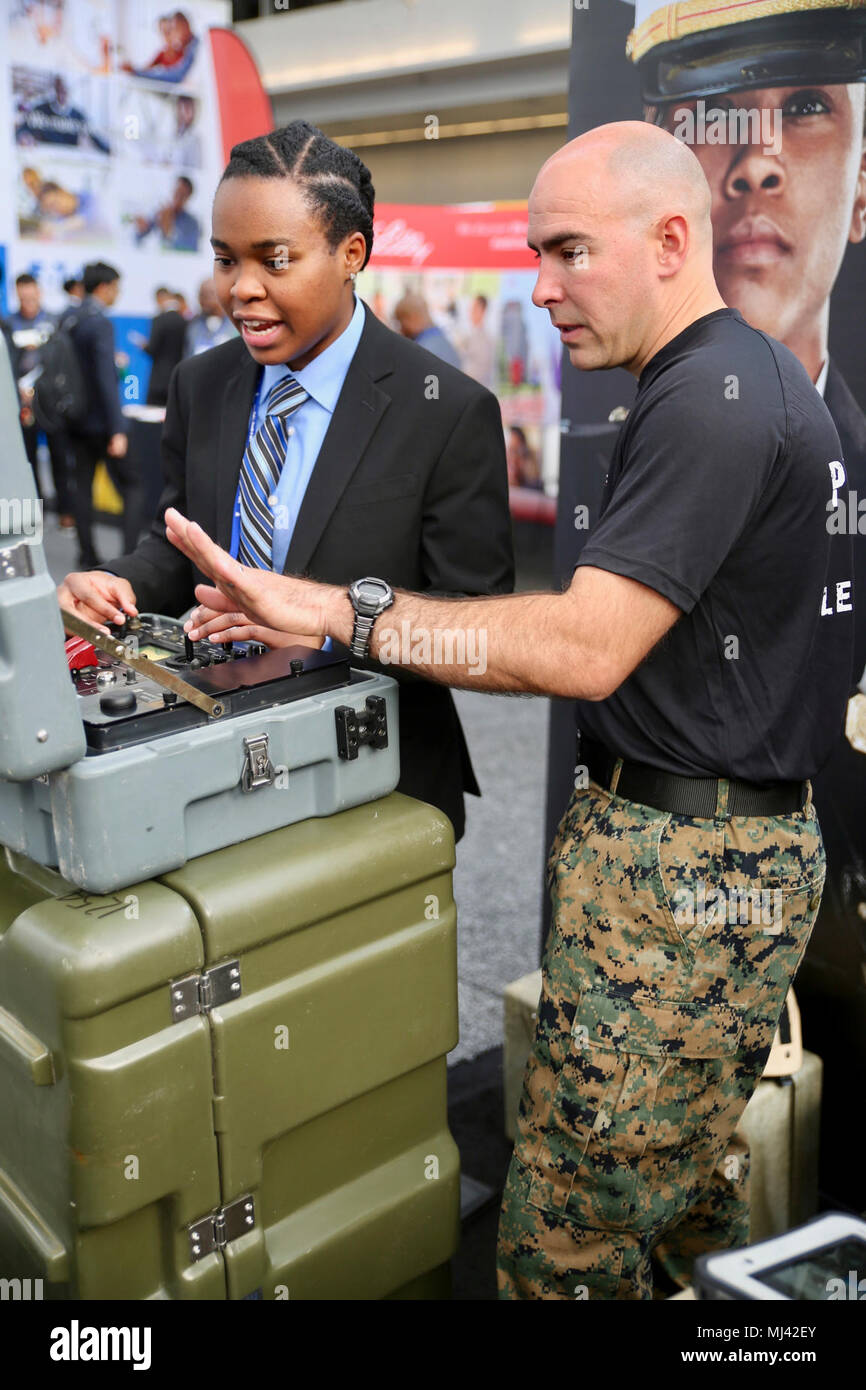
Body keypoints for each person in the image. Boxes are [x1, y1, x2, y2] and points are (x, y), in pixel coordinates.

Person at [157, 121, 853, 1299]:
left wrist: (339, 612)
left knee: (560, 1250)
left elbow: (578, 645)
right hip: (696, 861)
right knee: (679, 1200)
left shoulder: (711, 406)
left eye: (569, 252)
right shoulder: (722, 382)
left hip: (679, 887)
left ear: (670, 239)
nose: (539, 290)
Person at [56, 121, 514, 843]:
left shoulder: (447, 412)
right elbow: (180, 546)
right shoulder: (202, 385)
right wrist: (118, 585)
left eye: (275, 260)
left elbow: (477, 635)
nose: (241, 289)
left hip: (373, 783)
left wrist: (324, 632)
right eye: (224, 259)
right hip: (212, 764)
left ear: (350, 255)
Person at [628, 0, 866, 1215]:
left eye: (806, 109)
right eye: (717, 120)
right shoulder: (641, 426)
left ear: (861, 188)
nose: (757, 156)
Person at [65, 262, 146, 568]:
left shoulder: (69, 318)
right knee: (134, 485)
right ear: (103, 288)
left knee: (82, 488)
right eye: (115, 287)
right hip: (102, 422)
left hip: (75, 420)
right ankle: (129, 558)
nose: (117, 294)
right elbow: (103, 378)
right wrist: (118, 429)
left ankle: (86, 555)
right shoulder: (100, 323)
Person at [8, 272, 74, 525]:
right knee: (28, 461)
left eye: (31, 295)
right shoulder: (9, 323)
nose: (27, 300)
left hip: (51, 403)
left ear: (39, 293)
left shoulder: (53, 323)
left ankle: (66, 511)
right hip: (23, 403)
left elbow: (63, 363)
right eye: (22, 296)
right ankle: (35, 513)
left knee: (60, 456)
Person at [16, 75, 110, 154]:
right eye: (58, 91)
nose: (61, 95)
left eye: (64, 91)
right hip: (45, 156)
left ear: (68, 92)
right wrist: (23, 136)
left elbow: (94, 136)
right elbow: (22, 129)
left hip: (69, 160)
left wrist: (109, 151)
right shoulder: (41, 110)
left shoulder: (78, 115)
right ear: (54, 91)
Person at [141, 289, 187, 407]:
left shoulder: (158, 320)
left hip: (158, 379)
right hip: (177, 376)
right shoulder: (184, 321)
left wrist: (143, 346)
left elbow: (152, 349)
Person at [393, 291, 461, 369]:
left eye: (401, 323)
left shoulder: (422, 351)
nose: (401, 330)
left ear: (413, 317)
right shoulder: (443, 340)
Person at [134, 176, 199, 252]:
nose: (177, 198)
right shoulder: (159, 214)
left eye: (182, 195)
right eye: (176, 192)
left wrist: (168, 233)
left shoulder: (192, 224)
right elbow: (138, 241)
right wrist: (141, 230)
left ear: (188, 197)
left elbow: (190, 251)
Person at [184, 278, 236, 356]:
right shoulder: (193, 327)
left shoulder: (236, 326)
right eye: (201, 295)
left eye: (209, 294)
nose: (203, 300)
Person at [459, 294, 495, 390]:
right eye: (471, 309)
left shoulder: (485, 340)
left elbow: (480, 371)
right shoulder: (471, 336)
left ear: (482, 311)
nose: (471, 312)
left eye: (474, 309)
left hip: (475, 390)